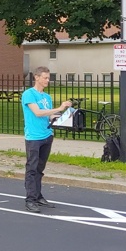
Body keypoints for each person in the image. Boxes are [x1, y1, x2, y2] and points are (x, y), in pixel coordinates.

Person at [21, 66, 72, 213]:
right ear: (36, 77)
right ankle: (30, 200)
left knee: (40, 169)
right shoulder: (29, 94)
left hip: (47, 136)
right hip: (33, 137)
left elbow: (49, 116)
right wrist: (59, 108)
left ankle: (37, 195)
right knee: (31, 168)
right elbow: (37, 113)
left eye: (48, 78)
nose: (47, 81)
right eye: (45, 78)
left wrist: (66, 117)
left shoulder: (47, 97)